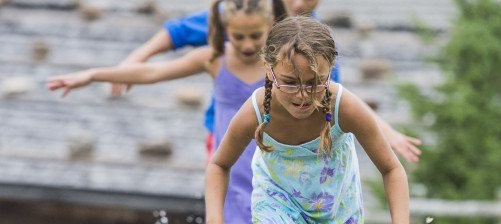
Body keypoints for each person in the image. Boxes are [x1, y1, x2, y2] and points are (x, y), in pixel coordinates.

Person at [46, 0, 282, 224]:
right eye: (238, 36)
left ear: (270, 27)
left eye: (256, 36)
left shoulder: (278, 65)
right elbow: (153, 71)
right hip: (231, 164)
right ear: (225, 29)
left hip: (269, 163)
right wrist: (93, 75)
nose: (248, 44)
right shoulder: (214, 59)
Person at [195, 16, 413, 224]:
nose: (303, 95)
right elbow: (219, 164)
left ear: (330, 70)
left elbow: (392, 169)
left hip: (336, 215)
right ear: (268, 69)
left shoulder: (344, 106)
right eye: (289, 81)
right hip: (278, 204)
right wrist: (214, 223)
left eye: (314, 82)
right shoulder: (255, 111)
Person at [111, 0, 423, 162]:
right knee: (230, 191)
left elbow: (337, 96)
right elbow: (178, 33)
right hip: (229, 130)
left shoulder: (313, 44)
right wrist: (135, 58)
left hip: (283, 138)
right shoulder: (249, 12)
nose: (300, 4)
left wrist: (386, 131)